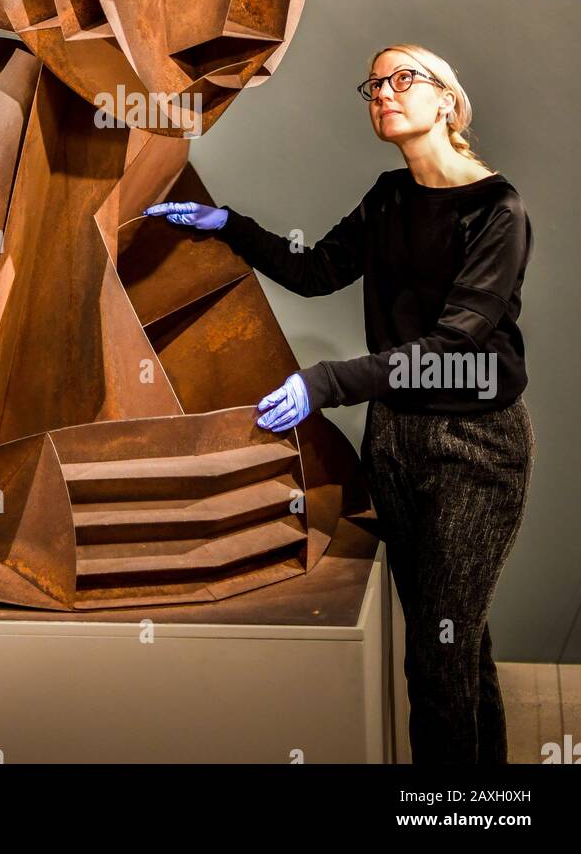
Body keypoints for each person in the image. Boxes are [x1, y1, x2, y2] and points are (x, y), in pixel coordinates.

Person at [143, 43, 535, 766]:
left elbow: (455, 346)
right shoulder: (390, 196)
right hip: (397, 441)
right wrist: (227, 224)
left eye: (403, 79)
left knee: (437, 658)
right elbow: (317, 268)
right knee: (457, 640)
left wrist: (322, 383)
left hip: (475, 449)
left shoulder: (495, 210)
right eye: (375, 84)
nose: (383, 92)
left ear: (448, 100)